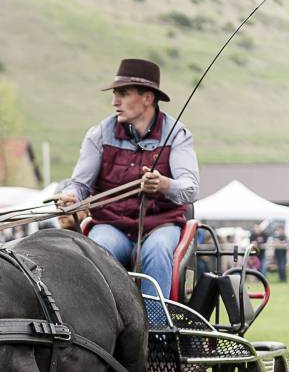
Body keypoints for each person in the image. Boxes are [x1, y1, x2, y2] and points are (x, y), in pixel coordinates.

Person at [58, 58, 199, 296]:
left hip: (161, 226)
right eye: (115, 94)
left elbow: (191, 188)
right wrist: (71, 197)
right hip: (112, 226)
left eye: (123, 93)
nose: (115, 102)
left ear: (148, 98)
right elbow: (80, 185)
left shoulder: (177, 135)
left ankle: (155, 327)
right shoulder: (99, 134)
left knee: (157, 250)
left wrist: (165, 184)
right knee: (98, 248)